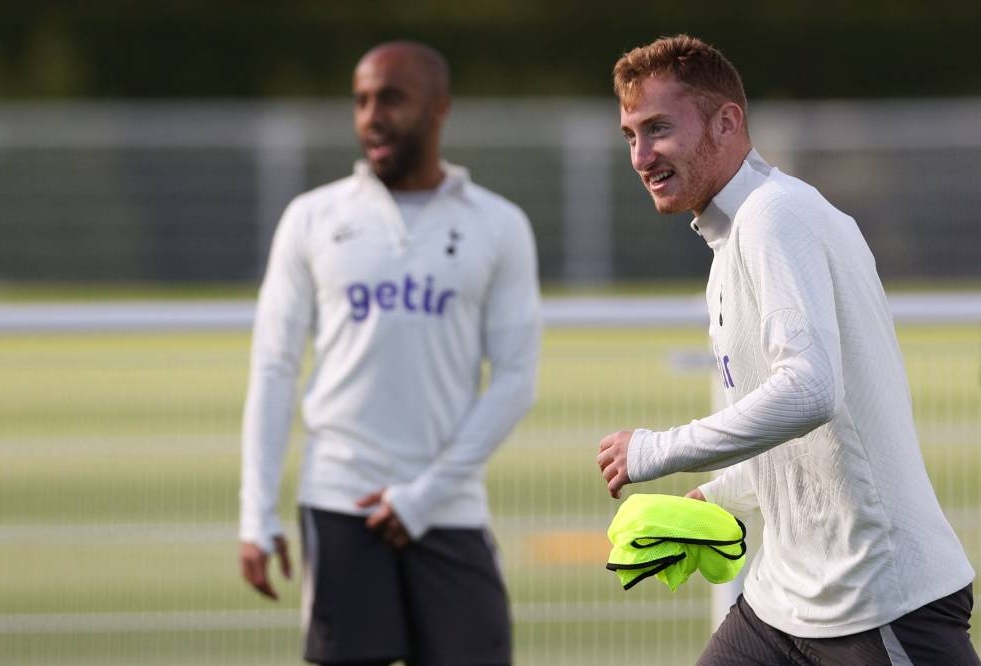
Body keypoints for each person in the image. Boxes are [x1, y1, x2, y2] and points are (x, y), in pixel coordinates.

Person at [596, 34, 979, 664]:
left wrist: (657, 449)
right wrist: (717, 497)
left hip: (876, 604)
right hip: (781, 605)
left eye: (658, 128)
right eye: (630, 135)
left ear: (727, 122)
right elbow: (806, 432)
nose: (641, 155)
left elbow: (812, 390)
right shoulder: (732, 237)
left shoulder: (775, 216)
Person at [238, 40, 541, 666]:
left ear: (439, 109)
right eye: (361, 100)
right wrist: (256, 510)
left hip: (448, 505)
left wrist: (424, 495)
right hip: (338, 499)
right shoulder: (311, 218)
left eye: (392, 99)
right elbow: (273, 367)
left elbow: (516, 379)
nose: (372, 116)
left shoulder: (499, 224)